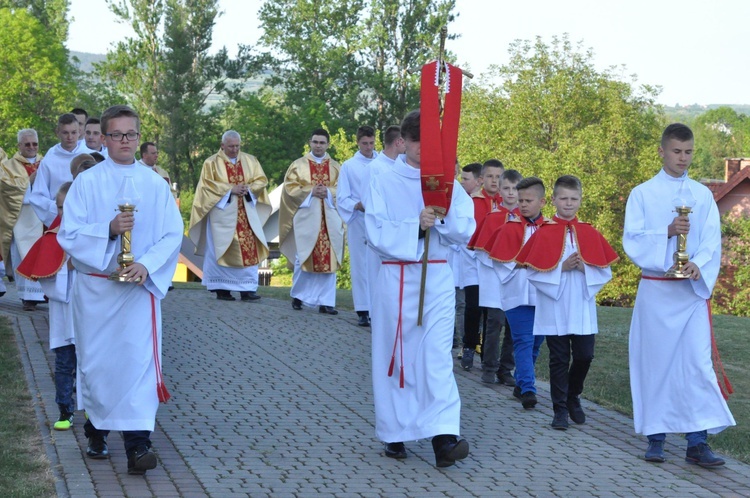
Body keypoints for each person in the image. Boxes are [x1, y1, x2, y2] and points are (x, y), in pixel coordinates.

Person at [58, 105, 183, 475]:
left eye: (131, 134)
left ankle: (138, 445)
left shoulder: (156, 184)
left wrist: (146, 265)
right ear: (104, 138)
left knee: (138, 365)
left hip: (138, 293)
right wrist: (109, 229)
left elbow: (172, 234)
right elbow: (69, 235)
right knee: (100, 366)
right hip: (97, 293)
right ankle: (96, 430)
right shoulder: (88, 182)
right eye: (117, 135)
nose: (125, 141)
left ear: (138, 137)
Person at [364, 110, 474, 468]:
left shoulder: (448, 184)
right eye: (418, 144)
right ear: (404, 143)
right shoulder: (382, 178)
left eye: (433, 146)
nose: (426, 153)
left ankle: (444, 438)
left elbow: (465, 228)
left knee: (436, 356)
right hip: (397, 278)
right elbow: (376, 231)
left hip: (437, 276)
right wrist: (416, 226)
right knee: (396, 359)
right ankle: (396, 434)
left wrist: (441, 217)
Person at [623, 123, 735, 467]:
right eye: (676, 151)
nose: (682, 158)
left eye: (688, 152)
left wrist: (699, 264)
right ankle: (656, 438)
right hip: (657, 293)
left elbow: (710, 241)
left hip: (688, 295)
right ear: (662, 151)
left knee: (696, 367)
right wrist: (667, 232)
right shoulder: (641, 194)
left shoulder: (702, 195)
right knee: (656, 365)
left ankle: (697, 443)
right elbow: (633, 240)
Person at [516, 175, 618, 429]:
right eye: (564, 198)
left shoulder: (590, 232)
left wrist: (586, 269)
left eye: (574, 199)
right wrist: (560, 268)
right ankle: (559, 409)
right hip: (555, 304)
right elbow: (531, 271)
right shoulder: (543, 233)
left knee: (585, 355)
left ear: (580, 201)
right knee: (559, 359)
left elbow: (605, 271)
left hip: (582, 304)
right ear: (553, 200)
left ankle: (573, 395)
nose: (569, 203)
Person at [17, 182, 77, 431]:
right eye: (61, 208)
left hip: (92, 315)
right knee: (64, 363)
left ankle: (95, 413)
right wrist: (67, 268)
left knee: (90, 365)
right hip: (64, 314)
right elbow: (50, 285)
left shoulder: (99, 235)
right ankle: (65, 410)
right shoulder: (53, 237)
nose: (64, 213)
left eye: (70, 207)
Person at [189, 130, 271, 302]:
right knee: (219, 248)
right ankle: (221, 288)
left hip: (246, 212)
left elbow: (261, 180)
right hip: (222, 215)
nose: (235, 150)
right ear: (222, 145)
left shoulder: (250, 160)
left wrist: (248, 188)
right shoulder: (211, 163)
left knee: (249, 248)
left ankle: (247, 289)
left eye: (237, 146)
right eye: (231, 146)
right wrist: (230, 189)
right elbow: (206, 186)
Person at [488, 177, 548, 409]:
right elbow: (499, 260)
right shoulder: (509, 228)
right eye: (520, 200)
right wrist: (520, 264)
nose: (523, 204)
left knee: (535, 344)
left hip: (542, 295)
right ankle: (529, 390)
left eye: (528, 200)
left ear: (542, 201)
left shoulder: (551, 229)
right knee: (523, 340)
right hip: (517, 292)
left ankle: (521, 383)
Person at [279, 128, 344, 315]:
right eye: (315, 142)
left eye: (322, 142)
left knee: (329, 260)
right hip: (307, 219)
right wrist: (310, 192)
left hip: (330, 220)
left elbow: (343, 190)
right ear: (310, 142)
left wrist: (329, 192)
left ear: (328, 144)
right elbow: (290, 189)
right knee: (304, 257)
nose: (318, 146)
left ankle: (327, 302)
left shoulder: (336, 167)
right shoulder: (298, 165)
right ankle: (298, 296)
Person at [473, 167, 521, 385]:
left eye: (515, 189)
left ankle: (506, 369)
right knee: (494, 323)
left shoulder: (527, 220)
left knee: (513, 325)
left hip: (518, 279)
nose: (511, 193)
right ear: (499, 190)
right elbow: (481, 251)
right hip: (494, 278)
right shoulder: (492, 218)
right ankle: (489, 367)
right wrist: (499, 266)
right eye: (506, 188)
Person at [459, 160, 502, 372]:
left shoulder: (506, 203)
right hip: (474, 262)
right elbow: (467, 232)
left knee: (491, 310)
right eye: (491, 176)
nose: (495, 181)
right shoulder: (473, 201)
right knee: (473, 306)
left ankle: (488, 352)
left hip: (496, 265)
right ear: (482, 179)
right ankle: (468, 346)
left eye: (498, 177)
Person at [0, 129, 46, 310]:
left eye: (34, 144)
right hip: (21, 221)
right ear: (19, 146)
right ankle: (28, 297)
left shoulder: (46, 163)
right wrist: (29, 183)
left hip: (43, 218)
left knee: (43, 255)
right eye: (27, 144)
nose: (32, 147)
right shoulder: (9, 166)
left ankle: (44, 294)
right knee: (22, 255)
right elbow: (7, 190)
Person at [337, 126, 378, 326]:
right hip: (359, 219)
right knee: (361, 264)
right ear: (357, 142)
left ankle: (378, 307)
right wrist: (356, 205)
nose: (369, 147)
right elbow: (342, 196)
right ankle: (363, 308)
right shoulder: (349, 166)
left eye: (371, 143)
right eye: (364, 144)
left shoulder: (383, 163)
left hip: (379, 220)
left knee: (379, 263)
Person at [30, 113, 94, 228]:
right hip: (58, 218)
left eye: (73, 132)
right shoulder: (49, 160)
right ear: (58, 132)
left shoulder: (91, 156)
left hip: (87, 218)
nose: (70, 137)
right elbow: (37, 196)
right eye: (65, 132)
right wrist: (57, 208)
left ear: (80, 132)